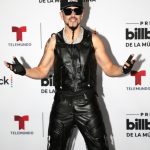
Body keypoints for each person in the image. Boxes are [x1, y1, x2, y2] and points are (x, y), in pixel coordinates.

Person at [4, 0, 135, 149]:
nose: (73, 14)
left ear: (82, 13)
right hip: (62, 104)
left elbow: (109, 68)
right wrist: (25, 71)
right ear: (61, 15)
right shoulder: (54, 41)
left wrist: (123, 69)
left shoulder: (94, 39)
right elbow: (41, 70)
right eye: (68, 11)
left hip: (87, 103)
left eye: (77, 10)